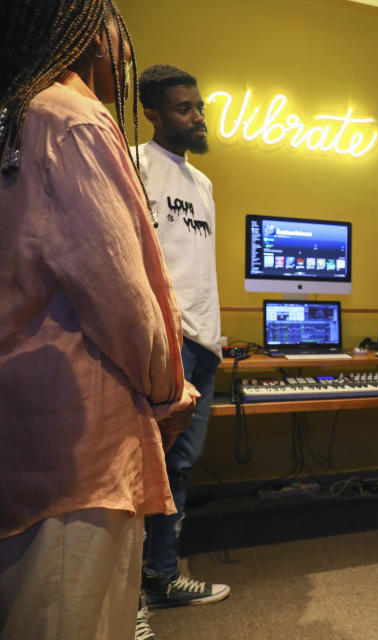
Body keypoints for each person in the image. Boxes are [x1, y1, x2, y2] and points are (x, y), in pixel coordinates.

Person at [0, 1, 199, 639]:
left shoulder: (17, 117)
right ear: (94, 32)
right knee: (74, 616)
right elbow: (119, 290)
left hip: (26, 425)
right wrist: (169, 387)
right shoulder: (71, 116)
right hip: (84, 435)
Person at [133, 65, 230, 618]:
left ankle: (160, 576)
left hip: (204, 342)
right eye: (183, 109)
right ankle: (139, 585)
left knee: (181, 468)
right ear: (152, 112)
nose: (197, 118)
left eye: (198, 107)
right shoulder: (133, 162)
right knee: (148, 465)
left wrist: (214, 337)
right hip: (167, 340)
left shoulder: (203, 182)